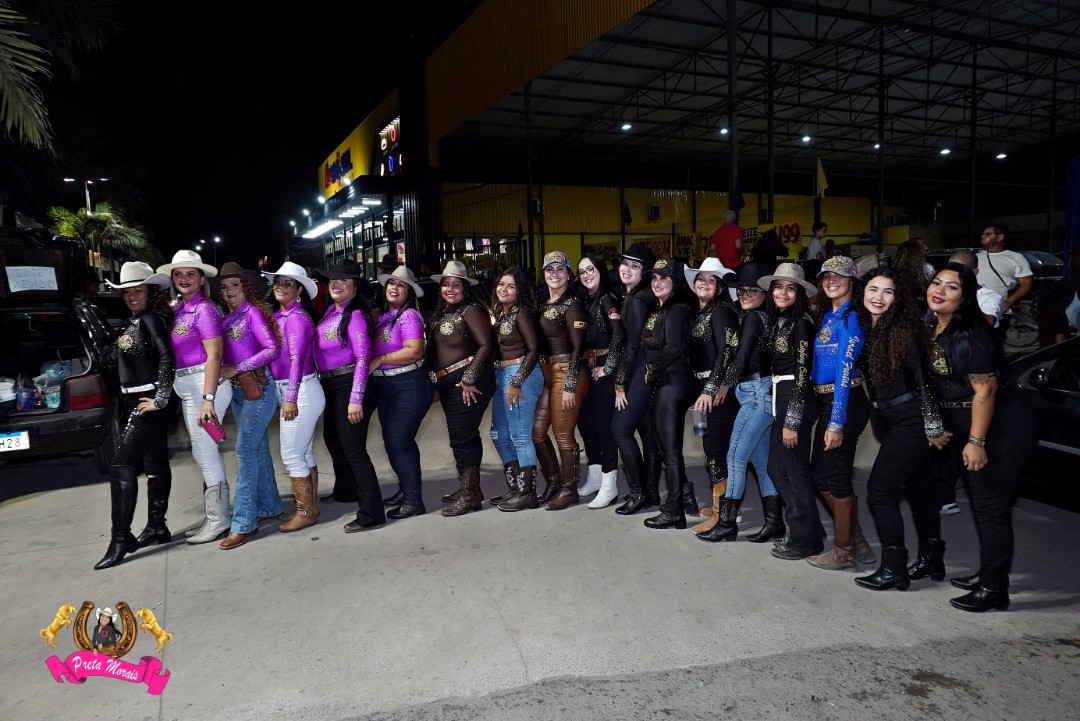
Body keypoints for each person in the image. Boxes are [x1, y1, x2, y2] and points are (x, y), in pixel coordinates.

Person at [926, 263, 1037, 612]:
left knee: (991, 508)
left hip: (1001, 428)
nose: (940, 291)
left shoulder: (971, 332)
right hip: (971, 424)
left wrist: (976, 442)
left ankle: (993, 589)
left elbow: (985, 391)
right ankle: (990, 574)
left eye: (952, 287)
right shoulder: (935, 325)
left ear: (965, 297)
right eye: (936, 283)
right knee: (983, 505)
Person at [852, 268, 951, 591]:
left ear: (898, 298)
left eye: (888, 291)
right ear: (863, 292)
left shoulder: (904, 331)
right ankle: (931, 558)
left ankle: (894, 568)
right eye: (873, 289)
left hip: (912, 420)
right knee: (920, 489)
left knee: (880, 492)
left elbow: (924, 382)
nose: (879, 297)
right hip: (889, 419)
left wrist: (933, 426)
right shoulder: (865, 326)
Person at [94, 262, 175, 570]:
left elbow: (167, 358)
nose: (132, 296)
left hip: (147, 401)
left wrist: (160, 399)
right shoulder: (135, 320)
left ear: (150, 292)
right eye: (127, 292)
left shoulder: (151, 319)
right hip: (134, 400)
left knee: (121, 462)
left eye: (138, 290)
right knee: (155, 463)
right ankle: (157, 527)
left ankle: (120, 538)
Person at [696, 263, 781, 543]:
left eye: (752, 291)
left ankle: (727, 524)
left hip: (756, 393)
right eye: (742, 290)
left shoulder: (755, 318)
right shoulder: (760, 317)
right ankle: (775, 523)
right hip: (760, 391)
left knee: (734, 458)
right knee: (761, 462)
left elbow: (741, 358)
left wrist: (723, 385)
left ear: (764, 294)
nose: (745, 295)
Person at [156, 250, 232, 545]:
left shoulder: (204, 310)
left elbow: (215, 355)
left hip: (204, 385)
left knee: (206, 453)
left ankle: (219, 520)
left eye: (190, 273)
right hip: (188, 387)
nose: (184, 278)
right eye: (178, 274)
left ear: (201, 279)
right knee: (202, 452)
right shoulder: (180, 309)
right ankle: (215, 515)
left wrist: (208, 398)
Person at [806, 256, 875, 571]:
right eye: (826, 276)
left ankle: (845, 550)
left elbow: (845, 371)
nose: (831, 280)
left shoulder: (851, 318)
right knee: (819, 474)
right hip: (827, 400)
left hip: (843, 401)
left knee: (836, 476)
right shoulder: (828, 316)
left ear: (852, 282)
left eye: (839, 276)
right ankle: (857, 542)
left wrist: (836, 421)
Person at [313, 260, 385, 533]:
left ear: (355, 287)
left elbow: (363, 357)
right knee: (334, 441)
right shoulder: (330, 311)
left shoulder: (355, 316)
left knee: (354, 450)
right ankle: (346, 490)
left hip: (350, 383)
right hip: (330, 384)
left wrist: (356, 398)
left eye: (344, 280)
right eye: (333, 279)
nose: (336, 284)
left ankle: (372, 513)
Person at [760, 263, 824, 560]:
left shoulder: (801, 323)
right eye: (778, 287)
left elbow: (802, 373)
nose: (782, 293)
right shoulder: (781, 320)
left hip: (795, 398)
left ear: (799, 294)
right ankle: (812, 529)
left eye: (790, 288)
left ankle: (804, 540)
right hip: (781, 395)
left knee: (794, 471)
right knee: (777, 468)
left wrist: (793, 421)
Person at [215, 262, 282, 549]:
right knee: (258, 449)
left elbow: (272, 349)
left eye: (235, 285)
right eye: (224, 286)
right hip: (239, 391)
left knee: (244, 451)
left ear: (246, 289)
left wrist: (237, 367)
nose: (229, 290)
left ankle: (244, 521)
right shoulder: (227, 318)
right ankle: (270, 506)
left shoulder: (251, 313)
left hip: (259, 389)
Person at [428, 260, 496, 516]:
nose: (450, 289)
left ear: (465, 288)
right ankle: (470, 488)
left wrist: (469, 378)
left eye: (456, 284)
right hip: (449, 384)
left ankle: (470, 496)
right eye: (446, 284)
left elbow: (486, 345)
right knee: (463, 436)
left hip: (466, 382)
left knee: (462, 437)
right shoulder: (444, 312)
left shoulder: (472, 310)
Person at [262, 262, 325, 531]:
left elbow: (297, 360)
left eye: (288, 283)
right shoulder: (282, 315)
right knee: (304, 452)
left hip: (300, 392)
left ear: (299, 290)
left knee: (291, 455)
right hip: (297, 390)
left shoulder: (296, 318)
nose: (280, 286)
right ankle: (310, 506)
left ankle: (305, 512)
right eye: (278, 281)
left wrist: (290, 399)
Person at [680, 258, 739, 533]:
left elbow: (725, 353)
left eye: (711, 279)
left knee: (716, 451)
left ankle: (721, 515)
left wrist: (710, 389)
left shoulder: (722, 312)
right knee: (715, 450)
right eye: (701, 278)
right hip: (704, 388)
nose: (704, 283)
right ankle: (727, 508)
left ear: (720, 286)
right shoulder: (702, 312)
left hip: (717, 392)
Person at [637, 259, 697, 529]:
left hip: (674, 380)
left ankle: (675, 511)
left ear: (676, 281)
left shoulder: (677, 309)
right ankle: (685, 498)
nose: (657, 283)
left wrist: (653, 370)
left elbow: (674, 347)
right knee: (664, 447)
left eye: (664, 277)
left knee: (670, 450)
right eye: (654, 278)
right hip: (666, 381)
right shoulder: (660, 308)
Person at [371, 265, 434, 520]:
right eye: (391, 283)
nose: (394, 288)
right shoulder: (385, 317)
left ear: (409, 292)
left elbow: (414, 351)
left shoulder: (409, 316)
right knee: (394, 442)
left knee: (399, 442)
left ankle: (413, 501)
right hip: (387, 387)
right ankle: (407, 490)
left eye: (401, 285)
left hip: (409, 385)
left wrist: (381, 359)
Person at [532, 251, 589, 510]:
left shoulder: (572, 304)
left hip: (567, 372)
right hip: (548, 373)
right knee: (537, 433)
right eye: (549, 269)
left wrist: (570, 384)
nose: (554, 274)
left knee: (563, 435)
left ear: (568, 274)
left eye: (560, 269)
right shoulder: (544, 304)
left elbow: (578, 347)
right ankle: (555, 481)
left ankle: (569, 490)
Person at [487, 267, 543, 511]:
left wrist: (517, 381)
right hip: (502, 374)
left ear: (520, 290)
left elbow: (534, 349)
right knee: (498, 434)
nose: (504, 289)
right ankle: (515, 489)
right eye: (501, 284)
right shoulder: (502, 314)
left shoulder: (522, 314)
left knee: (520, 435)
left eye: (511, 286)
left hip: (521, 374)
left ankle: (528, 493)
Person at [574, 254, 625, 509]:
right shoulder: (585, 301)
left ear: (601, 271)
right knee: (586, 425)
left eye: (590, 269)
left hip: (603, 372)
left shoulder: (607, 300)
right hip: (587, 370)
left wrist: (609, 367)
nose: (586, 275)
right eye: (582, 271)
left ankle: (609, 485)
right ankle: (595, 478)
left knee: (604, 429)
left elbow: (619, 335)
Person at [612, 243, 660, 515]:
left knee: (620, 430)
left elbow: (632, 345)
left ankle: (639, 493)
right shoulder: (635, 296)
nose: (627, 269)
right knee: (648, 435)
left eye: (635, 266)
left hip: (639, 370)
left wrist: (620, 382)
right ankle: (650, 492)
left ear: (644, 272)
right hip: (644, 369)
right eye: (625, 263)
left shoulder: (638, 300)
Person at [976, 224, 1032, 336]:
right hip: (975, 306)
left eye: (988, 234)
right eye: (982, 234)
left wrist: (1009, 301)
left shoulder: (1015, 257)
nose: (983, 236)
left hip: (998, 308)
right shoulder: (976, 257)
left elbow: (1027, 283)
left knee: (994, 339)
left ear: (1000, 237)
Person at [949, 250, 1004, 327]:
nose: (953, 274)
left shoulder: (990, 296)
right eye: (950, 270)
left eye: (960, 270)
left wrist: (966, 300)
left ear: (974, 272)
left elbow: (990, 322)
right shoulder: (944, 290)